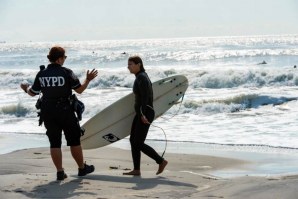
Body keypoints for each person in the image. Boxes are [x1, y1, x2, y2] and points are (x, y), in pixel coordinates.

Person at [20, 46, 98, 180]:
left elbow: (32, 93)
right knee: (74, 141)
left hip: (48, 111)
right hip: (65, 111)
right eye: (65, 57)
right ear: (60, 58)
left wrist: (25, 87)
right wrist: (88, 80)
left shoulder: (42, 74)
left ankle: (60, 172)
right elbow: (79, 90)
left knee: (54, 143)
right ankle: (81, 168)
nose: (65, 60)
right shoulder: (66, 72)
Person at [123, 55, 168, 176]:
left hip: (145, 112)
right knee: (133, 141)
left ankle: (161, 161)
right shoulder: (140, 76)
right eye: (128, 65)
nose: (128, 67)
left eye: (131, 64)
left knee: (138, 142)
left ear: (139, 64)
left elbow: (145, 97)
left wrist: (143, 114)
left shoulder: (142, 77)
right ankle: (136, 169)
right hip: (141, 113)